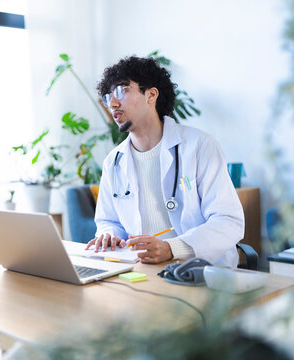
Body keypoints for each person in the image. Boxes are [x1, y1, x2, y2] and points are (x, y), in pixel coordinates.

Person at [85, 56, 244, 267]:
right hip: (142, 271)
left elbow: (228, 221)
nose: (112, 103)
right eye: (108, 96)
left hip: (202, 272)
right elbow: (108, 221)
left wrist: (172, 248)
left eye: (122, 91)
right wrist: (109, 234)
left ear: (151, 95)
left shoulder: (199, 146)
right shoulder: (113, 161)